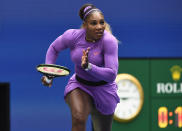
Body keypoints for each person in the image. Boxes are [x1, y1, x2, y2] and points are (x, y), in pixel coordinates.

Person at [41, 3, 120, 131]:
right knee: (78, 118)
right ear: (85, 25)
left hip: (105, 89)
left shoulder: (109, 41)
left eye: (101, 22)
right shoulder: (72, 36)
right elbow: (54, 48)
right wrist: (49, 73)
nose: (99, 27)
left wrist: (89, 67)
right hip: (80, 85)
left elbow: (111, 75)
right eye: (94, 23)